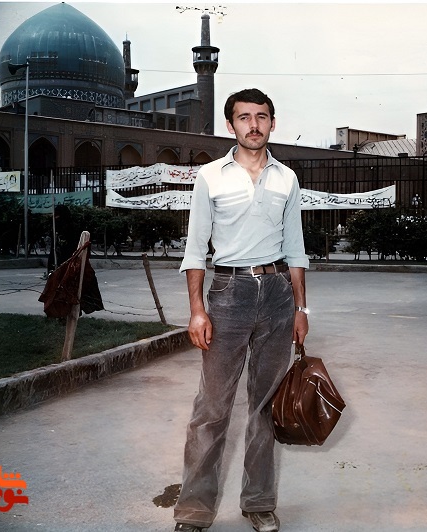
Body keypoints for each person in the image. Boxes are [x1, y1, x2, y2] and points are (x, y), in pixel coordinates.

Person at [174, 88, 310, 532]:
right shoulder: (211, 176)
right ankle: (194, 509)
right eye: (244, 117)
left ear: (273, 123)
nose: (254, 125)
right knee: (212, 408)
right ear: (230, 125)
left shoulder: (287, 179)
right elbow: (195, 250)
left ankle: (258, 502)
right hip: (228, 293)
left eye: (262, 116)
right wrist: (197, 310)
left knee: (266, 407)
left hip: (277, 294)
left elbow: (295, 249)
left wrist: (301, 307)